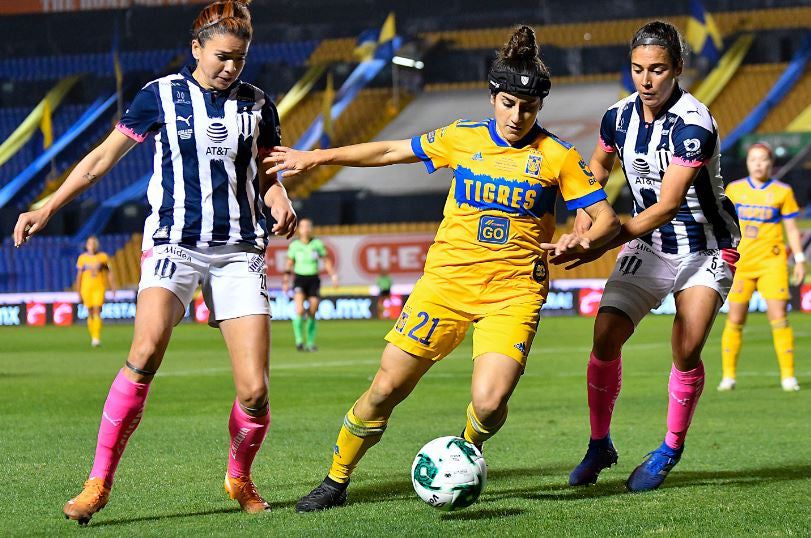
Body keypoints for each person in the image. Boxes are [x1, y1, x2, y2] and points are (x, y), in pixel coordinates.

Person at [266, 25, 620, 512]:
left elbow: (606, 220)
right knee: (385, 388)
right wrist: (319, 156)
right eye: (508, 103)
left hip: (514, 293)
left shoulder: (557, 156)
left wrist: (581, 241)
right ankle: (336, 479)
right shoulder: (461, 137)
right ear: (492, 97)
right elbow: (390, 150)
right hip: (445, 287)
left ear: (540, 106)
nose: (517, 116)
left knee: (490, 404)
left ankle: (464, 451)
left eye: (528, 107)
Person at [14, 0, 296, 524]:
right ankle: (98, 483)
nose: (231, 67)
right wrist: (47, 207)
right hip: (173, 243)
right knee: (144, 351)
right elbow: (101, 159)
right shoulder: (159, 95)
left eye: (240, 58)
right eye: (222, 56)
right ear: (196, 48)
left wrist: (278, 195)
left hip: (238, 248)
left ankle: (239, 476)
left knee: (255, 391)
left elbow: (266, 170)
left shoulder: (259, 103)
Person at [554, 21, 741, 492]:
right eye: (638, 69)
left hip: (705, 246)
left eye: (657, 69)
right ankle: (600, 444)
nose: (646, 79)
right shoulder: (617, 117)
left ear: (677, 68)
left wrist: (602, 240)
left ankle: (670, 448)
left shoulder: (694, 124)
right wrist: (583, 218)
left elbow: (668, 205)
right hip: (650, 244)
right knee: (605, 336)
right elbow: (597, 168)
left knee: (687, 347)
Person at [720, 143, 804, 392]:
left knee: (779, 318)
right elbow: (724, 223)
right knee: (735, 319)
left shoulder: (782, 192)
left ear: (771, 163)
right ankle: (728, 377)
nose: (758, 164)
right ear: (747, 163)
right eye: (753, 159)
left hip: (772, 262)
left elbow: (791, 229)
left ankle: (788, 377)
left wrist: (799, 259)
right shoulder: (734, 190)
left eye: (763, 159)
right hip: (742, 263)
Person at [282, 218, 337, 351]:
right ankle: (299, 341)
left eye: (308, 226)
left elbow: (326, 260)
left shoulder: (317, 244)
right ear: (299, 229)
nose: (305, 229)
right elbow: (289, 263)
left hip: (313, 279)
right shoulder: (295, 245)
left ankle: (310, 343)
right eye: (303, 226)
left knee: (313, 310)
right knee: (300, 310)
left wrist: (333, 276)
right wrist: (286, 281)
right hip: (300, 278)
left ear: (311, 229)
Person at [75, 235, 116, 347]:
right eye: (90, 243)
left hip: (99, 287)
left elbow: (109, 272)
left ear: (97, 245)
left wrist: (113, 287)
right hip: (86, 288)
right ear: (86, 245)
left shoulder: (103, 257)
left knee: (97, 310)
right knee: (90, 311)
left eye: (94, 243)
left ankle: (96, 337)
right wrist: (78, 291)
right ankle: (93, 335)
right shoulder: (82, 258)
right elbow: (79, 276)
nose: (92, 246)